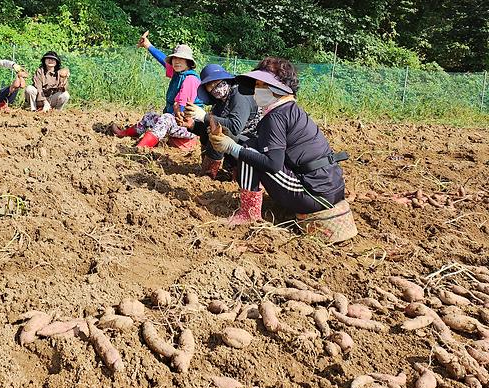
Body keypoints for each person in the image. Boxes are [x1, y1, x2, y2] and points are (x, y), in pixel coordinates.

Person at [207, 57, 355, 242]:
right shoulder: (290, 110)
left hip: (314, 194)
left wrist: (231, 147)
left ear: (278, 88)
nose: (257, 90)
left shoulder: (275, 117)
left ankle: (248, 213)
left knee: (248, 151)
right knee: (252, 146)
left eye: (263, 84)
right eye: (257, 84)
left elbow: (273, 164)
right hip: (331, 189)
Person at [111, 31, 202, 149]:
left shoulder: (190, 79)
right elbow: (163, 59)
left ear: (188, 63)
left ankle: (140, 148)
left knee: (166, 119)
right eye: (175, 59)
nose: (177, 62)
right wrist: (148, 45)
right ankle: (123, 133)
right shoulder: (178, 73)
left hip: (190, 127)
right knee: (150, 116)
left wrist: (171, 116)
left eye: (181, 59)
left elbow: (180, 108)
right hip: (176, 121)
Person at [174, 64, 260, 178]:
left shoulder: (239, 94)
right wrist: (192, 125)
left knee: (219, 131)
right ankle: (212, 171)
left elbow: (235, 126)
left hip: (252, 145)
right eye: (209, 85)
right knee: (211, 128)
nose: (214, 86)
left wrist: (204, 116)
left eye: (216, 81)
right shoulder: (219, 102)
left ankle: (211, 175)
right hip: (236, 144)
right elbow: (209, 125)